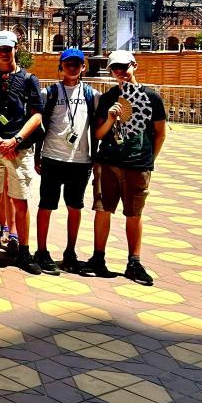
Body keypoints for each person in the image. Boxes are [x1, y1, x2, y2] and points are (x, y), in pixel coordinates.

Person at [80, 50, 166, 285]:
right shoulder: (108, 98)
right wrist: (109, 119)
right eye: (115, 69)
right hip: (108, 162)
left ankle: (134, 262)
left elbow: (159, 133)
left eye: (123, 67)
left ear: (134, 66)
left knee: (134, 213)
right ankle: (98, 258)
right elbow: (98, 133)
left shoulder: (151, 98)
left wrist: (148, 159)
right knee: (102, 210)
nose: (120, 72)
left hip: (137, 165)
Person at [0, 30, 44, 273]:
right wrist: (0, 141)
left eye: (8, 48)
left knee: (20, 200)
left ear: (16, 49)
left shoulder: (29, 80)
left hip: (20, 148)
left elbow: (36, 115)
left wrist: (15, 140)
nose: (4, 53)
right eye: (0, 49)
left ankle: (24, 251)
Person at [34, 49, 99, 274]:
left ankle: (70, 251)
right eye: (68, 64)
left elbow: (98, 128)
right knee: (46, 206)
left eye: (77, 64)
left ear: (83, 67)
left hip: (80, 161)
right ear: (61, 67)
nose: (73, 67)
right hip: (52, 157)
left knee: (75, 207)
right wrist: (37, 155)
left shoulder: (92, 95)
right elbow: (39, 127)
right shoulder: (49, 93)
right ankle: (41, 251)